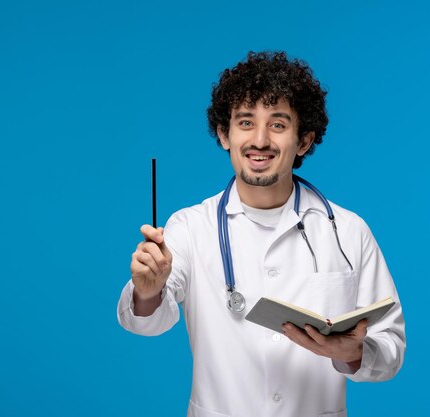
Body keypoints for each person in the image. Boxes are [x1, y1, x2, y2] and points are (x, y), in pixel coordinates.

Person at [117, 51, 405, 417]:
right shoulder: (189, 227)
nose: (260, 140)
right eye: (246, 122)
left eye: (279, 124)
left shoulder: (349, 231)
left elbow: (391, 349)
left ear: (303, 141)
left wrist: (352, 354)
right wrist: (147, 289)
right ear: (225, 134)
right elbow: (147, 323)